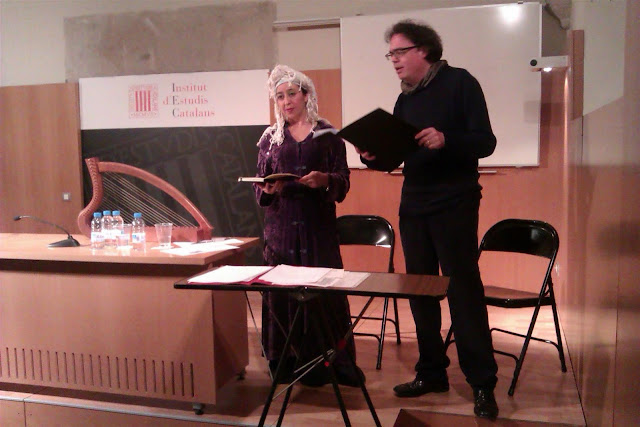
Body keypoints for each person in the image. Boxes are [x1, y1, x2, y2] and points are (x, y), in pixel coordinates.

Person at [357, 20, 499, 419]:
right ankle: (431, 372)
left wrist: (446, 139)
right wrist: (372, 156)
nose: (394, 60)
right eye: (391, 54)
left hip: (454, 202)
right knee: (420, 291)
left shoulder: (460, 83)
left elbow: (486, 141)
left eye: (399, 52)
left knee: (462, 292)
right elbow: (395, 158)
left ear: (424, 50)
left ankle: (482, 382)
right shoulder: (405, 100)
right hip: (414, 205)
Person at [253, 64, 362, 387]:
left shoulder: (327, 134)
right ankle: (284, 361)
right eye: (280, 96)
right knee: (281, 296)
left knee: (325, 292)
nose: (286, 101)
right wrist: (268, 188)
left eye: (291, 94)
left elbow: (343, 179)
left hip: (317, 229)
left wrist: (325, 180)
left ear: (305, 95)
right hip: (282, 230)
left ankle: (336, 362)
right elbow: (259, 186)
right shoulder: (270, 138)